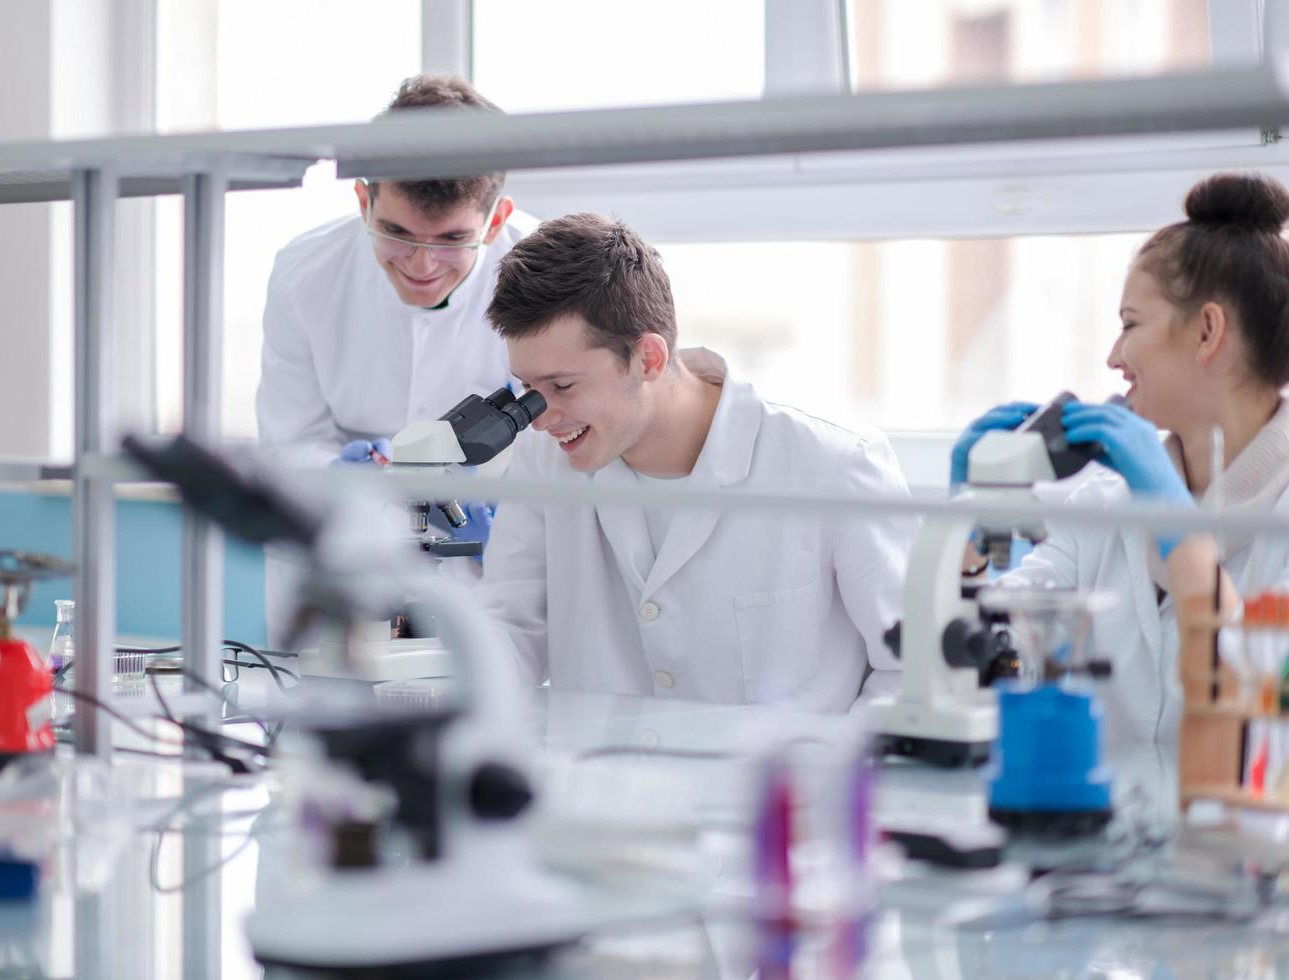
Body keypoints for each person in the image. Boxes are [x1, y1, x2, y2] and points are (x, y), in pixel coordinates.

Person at [476, 213, 914, 707]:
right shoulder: (543, 464)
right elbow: (507, 632)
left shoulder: (833, 465)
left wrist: (828, 774)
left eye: (562, 386)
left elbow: (913, 671)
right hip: (596, 781)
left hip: (784, 782)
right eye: (528, 389)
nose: (539, 418)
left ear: (649, 359)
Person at [954, 172, 1289, 745]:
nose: (1113, 357)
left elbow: (1263, 708)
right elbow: (987, 668)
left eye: (1130, 325)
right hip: (1107, 827)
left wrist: (1175, 526)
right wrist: (971, 527)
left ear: (1207, 331)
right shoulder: (1103, 501)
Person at [256, 75, 539, 646]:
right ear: (364, 201)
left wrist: (503, 509)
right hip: (345, 566)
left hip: (491, 577)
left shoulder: (542, 277)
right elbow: (287, 442)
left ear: (497, 220)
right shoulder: (304, 275)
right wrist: (339, 476)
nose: (420, 263)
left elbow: (568, 438)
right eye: (396, 232)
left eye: (452, 239)